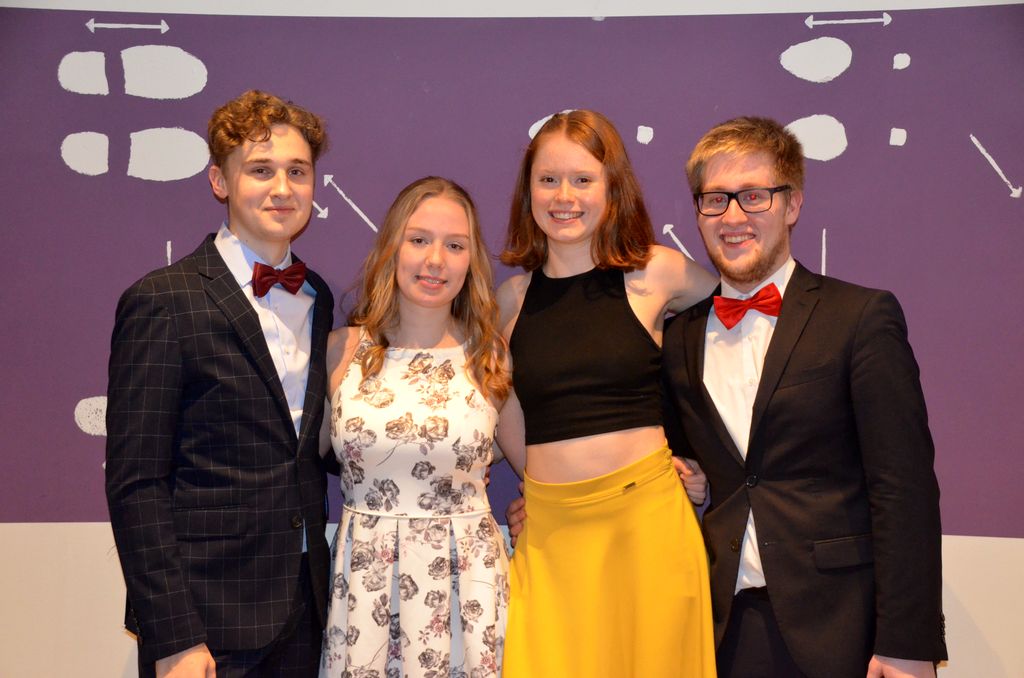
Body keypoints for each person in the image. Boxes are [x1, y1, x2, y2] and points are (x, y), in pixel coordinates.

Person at [661, 116, 946, 677]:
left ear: (792, 204)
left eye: (754, 196)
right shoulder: (677, 339)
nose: (733, 217)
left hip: (843, 630)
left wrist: (906, 643)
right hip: (720, 632)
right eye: (715, 199)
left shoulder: (860, 317)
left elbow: (903, 488)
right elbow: (673, 465)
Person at [106, 90, 334, 677]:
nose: (282, 188)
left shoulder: (320, 298)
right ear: (219, 181)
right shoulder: (163, 300)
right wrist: (174, 637)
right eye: (260, 170)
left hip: (307, 611)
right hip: (205, 625)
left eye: (297, 171)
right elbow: (137, 484)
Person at [495, 109, 718, 677]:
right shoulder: (509, 301)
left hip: (648, 526)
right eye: (548, 179)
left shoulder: (658, 273)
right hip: (549, 538)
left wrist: (703, 458)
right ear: (528, 191)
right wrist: (538, 485)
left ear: (612, 186)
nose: (564, 196)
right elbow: (504, 411)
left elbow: (746, 340)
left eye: (582, 179)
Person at [319, 177, 511, 677]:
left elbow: (542, 464)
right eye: (419, 239)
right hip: (365, 588)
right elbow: (290, 463)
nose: (435, 260)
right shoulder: (341, 351)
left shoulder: (489, 355)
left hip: (467, 591)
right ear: (392, 247)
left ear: (472, 261)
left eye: (455, 245)